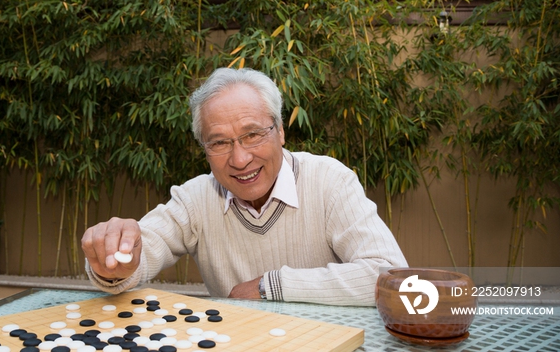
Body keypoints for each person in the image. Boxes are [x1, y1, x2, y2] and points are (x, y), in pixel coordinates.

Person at [82, 67, 407, 305]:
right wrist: (116, 260)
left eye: (253, 135)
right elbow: (143, 249)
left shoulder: (330, 182)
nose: (239, 159)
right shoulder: (195, 199)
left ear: (280, 131)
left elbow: (390, 278)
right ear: (204, 149)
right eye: (219, 142)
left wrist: (273, 286)